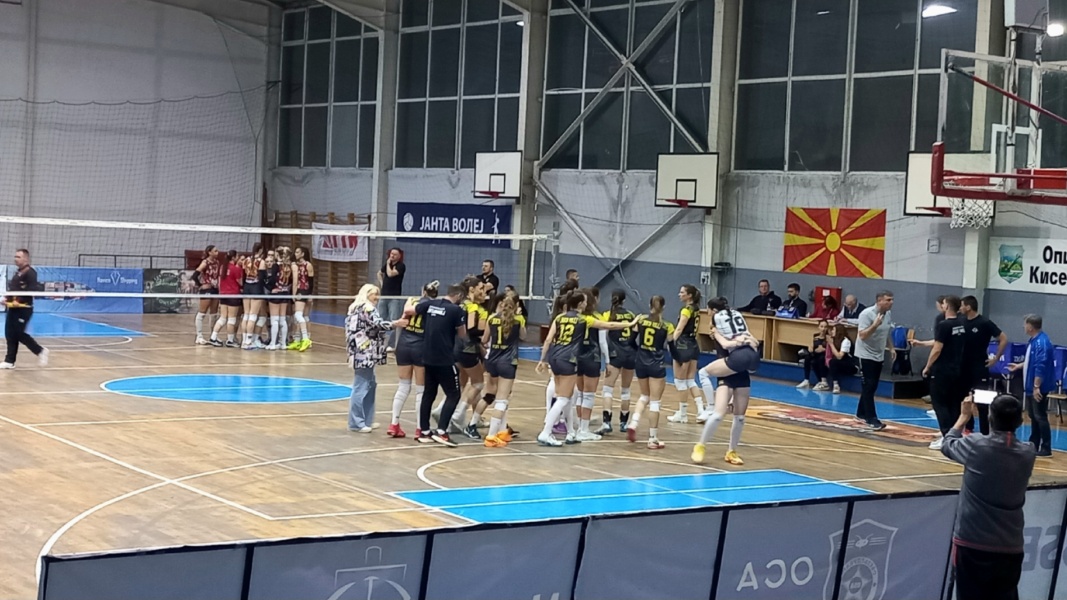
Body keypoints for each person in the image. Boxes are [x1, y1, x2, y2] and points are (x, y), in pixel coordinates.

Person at [941, 393, 1034, 600]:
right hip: (1011, 546)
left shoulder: (976, 446)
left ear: (990, 418)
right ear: (1020, 421)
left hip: (973, 543)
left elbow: (947, 444)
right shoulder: (1028, 452)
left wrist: (963, 417)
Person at [536, 290, 637, 447]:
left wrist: (542, 359)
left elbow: (548, 340)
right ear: (580, 304)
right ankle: (546, 432)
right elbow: (609, 325)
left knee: (568, 397)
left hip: (554, 356)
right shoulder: (584, 319)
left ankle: (571, 433)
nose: (585, 303)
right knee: (563, 399)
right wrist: (630, 324)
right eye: (584, 301)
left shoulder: (559, 317)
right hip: (568, 358)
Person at [345, 284, 407, 433]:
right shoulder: (368, 308)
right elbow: (378, 324)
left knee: (370, 385)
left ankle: (366, 420)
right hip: (364, 354)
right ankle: (356, 423)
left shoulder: (354, 308)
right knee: (361, 386)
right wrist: (396, 323)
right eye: (374, 294)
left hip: (359, 352)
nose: (377, 297)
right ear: (366, 294)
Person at [416, 283, 468, 446]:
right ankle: (441, 431)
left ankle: (424, 431)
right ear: (459, 296)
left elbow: (413, 309)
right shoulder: (456, 310)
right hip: (444, 358)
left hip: (427, 356)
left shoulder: (430, 304)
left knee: (429, 393)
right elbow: (462, 334)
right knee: (454, 394)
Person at [388, 280, 439, 439]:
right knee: (421, 390)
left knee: (403, 386)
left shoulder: (411, 301)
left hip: (403, 345)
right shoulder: (434, 307)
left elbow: (404, 317)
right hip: (420, 347)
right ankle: (419, 428)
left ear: (423, 291)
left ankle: (394, 424)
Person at [626, 296, 673, 449]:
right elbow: (672, 347)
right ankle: (652, 438)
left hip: (640, 362)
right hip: (656, 363)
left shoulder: (640, 320)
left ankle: (633, 423)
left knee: (644, 396)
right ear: (664, 307)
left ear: (649, 305)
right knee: (655, 401)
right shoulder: (666, 326)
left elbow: (630, 341)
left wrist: (639, 351)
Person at [482, 293, 526, 447]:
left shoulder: (492, 318)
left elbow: (484, 340)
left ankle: (502, 431)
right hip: (508, 362)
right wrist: (519, 318)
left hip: (492, 360)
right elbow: (523, 336)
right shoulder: (518, 320)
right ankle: (491, 436)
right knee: (502, 399)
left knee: (499, 396)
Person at [922, 295, 966, 450]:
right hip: (956, 369)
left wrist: (928, 366)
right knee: (953, 404)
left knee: (939, 404)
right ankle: (955, 435)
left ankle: (946, 435)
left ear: (946, 306)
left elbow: (937, 348)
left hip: (942, 370)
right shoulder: (961, 324)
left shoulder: (944, 325)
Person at [959, 296, 1008, 435]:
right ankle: (968, 428)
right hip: (963, 366)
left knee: (982, 402)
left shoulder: (984, 322)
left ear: (968, 307)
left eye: (962, 305)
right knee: (964, 398)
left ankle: (985, 432)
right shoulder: (961, 321)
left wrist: (996, 358)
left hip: (980, 367)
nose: (960, 308)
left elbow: (1003, 338)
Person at [1008, 314, 1054, 457]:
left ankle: (1046, 447)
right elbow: (1032, 361)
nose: (1023, 326)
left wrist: (1036, 386)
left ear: (1030, 326)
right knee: (1034, 415)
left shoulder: (1041, 343)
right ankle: (1034, 442)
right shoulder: (1035, 341)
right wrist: (1019, 366)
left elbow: (1041, 365)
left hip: (1037, 387)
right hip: (1030, 385)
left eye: (1025, 324)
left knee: (1039, 416)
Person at [854, 291, 895, 431]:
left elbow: (886, 332)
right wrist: (875, 325)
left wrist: (891, 347)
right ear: (879, 301)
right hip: (865, 354)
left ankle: (860, 413)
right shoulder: (866, 314)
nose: (891, 302)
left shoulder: (887, 314)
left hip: (879, 354)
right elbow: (862, 335)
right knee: (869, 385)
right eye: (888, 300)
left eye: (892, 300)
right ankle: (871, 418)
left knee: (871, 386)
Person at [598, 289, 636, 435]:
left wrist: (607, 359)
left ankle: (606, 422)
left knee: (608, 388)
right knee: (625, 389)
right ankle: (624, 423)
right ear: (624, 300)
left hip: (615, 354)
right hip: (630, 354)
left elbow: (603, 339)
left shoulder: (607, 315)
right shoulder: (631, 315)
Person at [2, 249, 47, 369]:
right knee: (9, 333)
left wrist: (19, 300)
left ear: (26, 259)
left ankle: (40, 350)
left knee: (18, 333)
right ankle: (9, 361)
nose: (15, 259)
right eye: (15, 256)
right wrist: (7, 299)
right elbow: (14, 289)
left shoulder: (31, 273)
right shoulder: (17, 273)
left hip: (24, 308)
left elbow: (31, 290)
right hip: (13, 308)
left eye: (18, 257)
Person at [667, 284, 705, 424]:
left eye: (682, 292)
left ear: (689, 295)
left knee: (680, 381)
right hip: (693, 345)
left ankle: (682, 414)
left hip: (683, 346)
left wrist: (670, 343)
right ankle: (701, 410)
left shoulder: (686, 310)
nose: (679, 294)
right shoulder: (696, 309)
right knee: (690, 380)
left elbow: (679, 329)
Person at [209, 250, 243, 348]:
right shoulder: (235, 269)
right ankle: (230, 340)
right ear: (233, 258)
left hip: (223, 295)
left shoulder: (222, 267)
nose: (238, 258)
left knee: (223, 318)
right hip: (233, 296)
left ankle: (213, 337)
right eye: (237, 256)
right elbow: (240, 282)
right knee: (231, 319)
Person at [377, 247, 406, 349]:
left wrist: (388, 263)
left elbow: (390, 274)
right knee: (380, 319)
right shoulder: (387, 265)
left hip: (394, 297)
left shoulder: (401, 266)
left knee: (395, 321)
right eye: (391, 254)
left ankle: (394, 345)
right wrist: (382, 283)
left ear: (399, 256)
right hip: (384, 296)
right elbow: (379, 273)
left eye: (395, 254)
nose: (392, 256)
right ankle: (380, 342)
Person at [288, 246, 315, 352]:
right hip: (302, 291)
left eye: (297, 252)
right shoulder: (295, 265)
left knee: (299, 315)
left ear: (303, 254)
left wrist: (309, 295)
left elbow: (311, 281)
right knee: (302, 317)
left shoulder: (308, 265)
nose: (295, 254)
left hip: (302, 291)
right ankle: (298, 339)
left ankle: (306, 338)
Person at [240, 243, 266, 350]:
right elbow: (262, 278)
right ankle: (249, 341)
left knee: (246, 314)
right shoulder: (261, 261)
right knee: (253, 315)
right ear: (260, 250)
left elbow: (243, 274)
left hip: (247, 287)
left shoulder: (246, 260)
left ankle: (244, 340)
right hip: (256, 287)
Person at [193, 245, 220, 345]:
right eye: (215, 251)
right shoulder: (205, 262)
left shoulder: (217, 262)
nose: (217, 252)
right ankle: (199, 336)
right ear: (209, 252)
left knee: (214, 313)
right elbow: (195, 275)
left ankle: (213, 336)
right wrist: (201, 285)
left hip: (215, 289)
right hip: (207, 290)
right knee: (202, 312)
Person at [797, 320, 830, 390]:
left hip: (824, 356)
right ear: (818, 327)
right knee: (807, 358)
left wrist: (824, 349)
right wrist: (810, 348)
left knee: (820, 359)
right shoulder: (815, 336)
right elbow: (811, 346)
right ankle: (806, 380)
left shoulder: (829, 338)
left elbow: (831, 349)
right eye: (822, 326)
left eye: (825, 327)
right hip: (816, 354)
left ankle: (823, 382)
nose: (823, 329)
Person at [825, 325, 854, 395]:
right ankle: (823, 382)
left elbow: (839, 356)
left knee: (833, 362)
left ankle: (836, 385)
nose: (832, 332)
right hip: (840, 363)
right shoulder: (834, 340)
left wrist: (831, 344)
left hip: (850, 365)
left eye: (833, 330)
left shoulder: (846, 341)